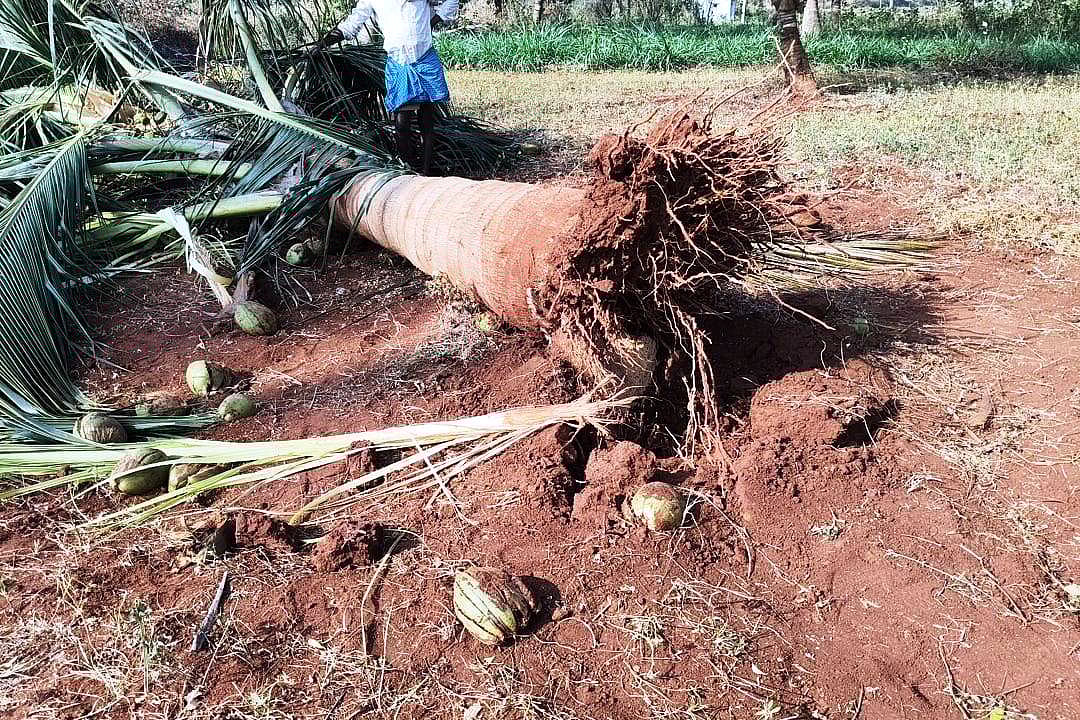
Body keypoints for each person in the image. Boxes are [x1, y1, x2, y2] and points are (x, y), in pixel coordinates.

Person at [314, 0, 460, 175]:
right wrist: (322, 44)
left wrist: (432, 21)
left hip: (424, 58)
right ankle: (408, 168)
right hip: (399, 62)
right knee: (402, 123)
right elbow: (351, 23)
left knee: (426, 119)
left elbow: (451, 1)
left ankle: (426, 170)